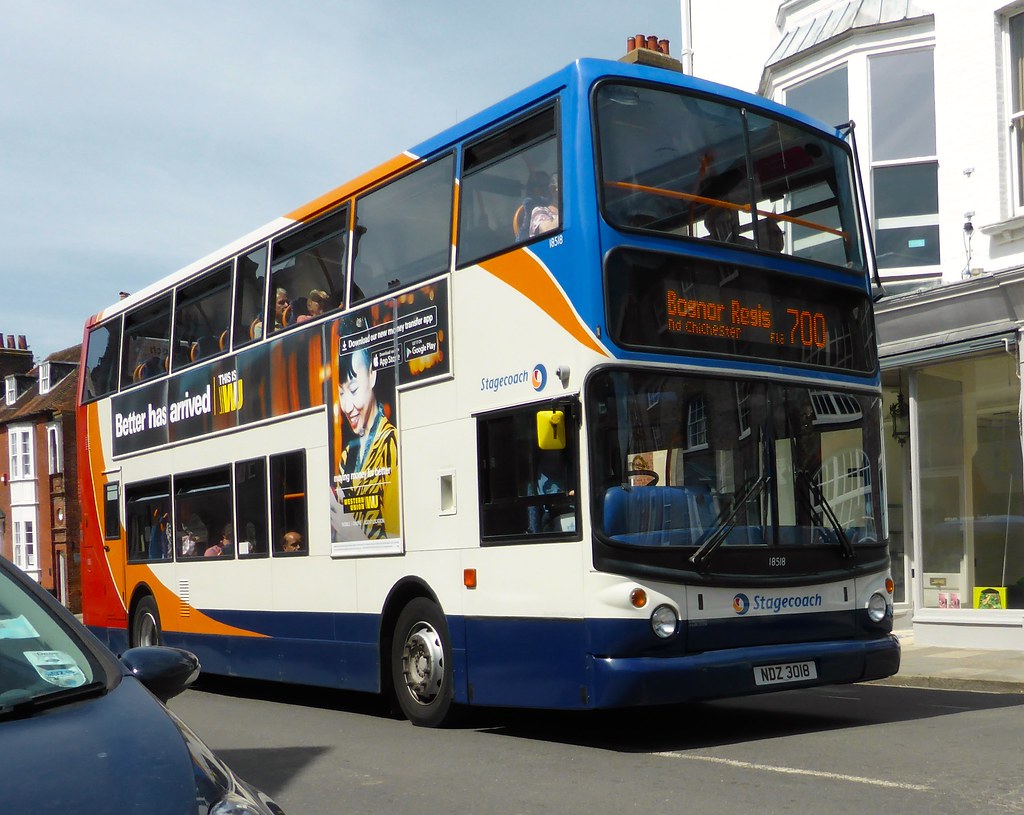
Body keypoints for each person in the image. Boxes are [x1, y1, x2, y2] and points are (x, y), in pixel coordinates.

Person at [335, 346, 398, 540]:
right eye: (341, 393)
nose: (347, 407)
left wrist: (354, 533)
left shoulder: (391, 443)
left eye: (353, 390)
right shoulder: (347, 455)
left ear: (372, 375)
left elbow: (397, 532)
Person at [515, 171, 559, 241]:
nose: (545, 190)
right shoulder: (539, 211)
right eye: (542, 186)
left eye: (546, 186)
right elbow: (546, 228)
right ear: (553, 189)